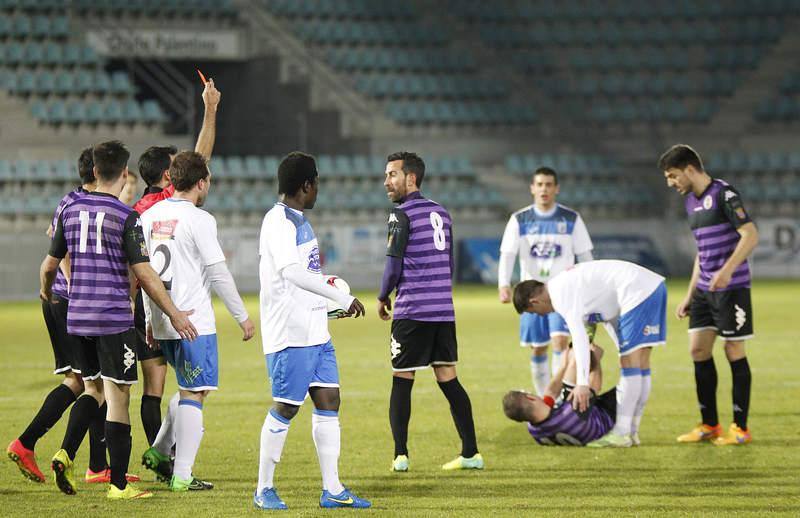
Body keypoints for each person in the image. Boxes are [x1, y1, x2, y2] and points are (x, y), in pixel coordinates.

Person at [40, 140, 198, 500]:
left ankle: (65, 451)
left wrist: (48, 293)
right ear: (124, 173)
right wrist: (173, 313)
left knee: (91, 389)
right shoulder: (127, 218)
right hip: (112, 319)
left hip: (77, 318)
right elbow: (144, 273)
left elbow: (49, 266)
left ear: (94, 171)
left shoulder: (70, 209)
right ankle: (118, 486)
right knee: (118, 398)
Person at [6, 148, 131, 485]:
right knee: (86, 382)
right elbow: (59, 255)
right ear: (100, 170)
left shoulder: (70, 200)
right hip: (71, 299)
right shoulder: (81, 206)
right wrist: (80, 288)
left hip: (64, 299)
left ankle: (95, 465)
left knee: (93, 381)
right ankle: (28, 442)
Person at [254, 152, 370, 510]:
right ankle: (263, 489)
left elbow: (305, 276)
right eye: (316, 182)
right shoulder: (278, 222)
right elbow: (291, 272)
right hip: (291, 335)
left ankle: (332, 489)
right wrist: (340, 295)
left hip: (316, 332)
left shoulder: (298, 220)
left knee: (329, 401)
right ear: (306, 185)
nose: (318, 188)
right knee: (286, 408)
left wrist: (329, 303)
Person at [140, 151, 255, 491]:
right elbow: (218, 274)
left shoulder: (150, 216)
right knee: (194, 393)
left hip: (163, 318)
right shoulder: (200, 219)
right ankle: (182, 474)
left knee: (194, 388)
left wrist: (150, 318)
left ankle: (160, 451)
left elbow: (145, 273)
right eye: (209, 180)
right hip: (192, 321)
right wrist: (242, 316)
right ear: (201, 182)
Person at [378, 151, 482, 472]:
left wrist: (383, 296)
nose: (386, 182)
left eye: (392, 175)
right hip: (443, 312)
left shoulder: (400, 215)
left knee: (402, 378)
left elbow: (393, 264)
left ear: (411, 178)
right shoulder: (443, 213)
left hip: (412, 312)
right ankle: (471, 453)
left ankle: (400, 455)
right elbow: (448, 264)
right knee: (449, 379)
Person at [133, 78, 221, 457]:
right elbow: (200, 159)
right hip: (172, 308)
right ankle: (169, 460)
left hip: (142, 309)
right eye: (176, 168)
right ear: (169, 177)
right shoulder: (166, 204)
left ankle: (116, 459)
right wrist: (211, 109)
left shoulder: (137, 208)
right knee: (189, 389)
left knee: (146, 389)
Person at [659, 144, 758, 446]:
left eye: (673, 176)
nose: (671, 183)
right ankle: (709, 424)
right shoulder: (690, 202)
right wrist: (690, 294)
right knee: (698, 351)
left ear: (690, 169)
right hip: (704, 290)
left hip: (732, 289)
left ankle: (740, 428)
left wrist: (727, 270)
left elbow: (750, 234)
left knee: (732, 351)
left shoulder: (724, 195)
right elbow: (701, 254)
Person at [513, 259, 667, 447]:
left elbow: (579, 340)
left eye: (535, 312)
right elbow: (605, 315)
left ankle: (623, 433)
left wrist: (583, 384)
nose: (542, 316)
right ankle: (631, 432)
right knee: (638, 363)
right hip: (644, 288)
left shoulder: (560, 296)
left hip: (638, 291)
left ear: (534, 301)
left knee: (631, 363)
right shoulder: (563, 285)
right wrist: (620, 347)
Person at [498, 167, 594, 396]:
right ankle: (543, 397)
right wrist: (504, 284)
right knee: (538, 347)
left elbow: (585, 255)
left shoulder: (571, 219)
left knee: (560, 342)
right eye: (539, 184)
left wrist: (589, 284)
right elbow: (508, 254)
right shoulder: (519, 220)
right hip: (532, 295)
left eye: (549, 184)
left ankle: (557, 396)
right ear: (532, 188)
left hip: (562, 294)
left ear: (556, 188)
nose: (544, 189)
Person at [503, 344, 617, 446]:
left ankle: (576, 354)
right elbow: (594, 385)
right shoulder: (571, 412)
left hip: (579, 419)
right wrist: (595, 358)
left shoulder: (534, 431)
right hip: (607, 414)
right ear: (531, 398)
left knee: (573, 366)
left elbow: (550, 393)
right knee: (631, 382)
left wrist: (564, 365)